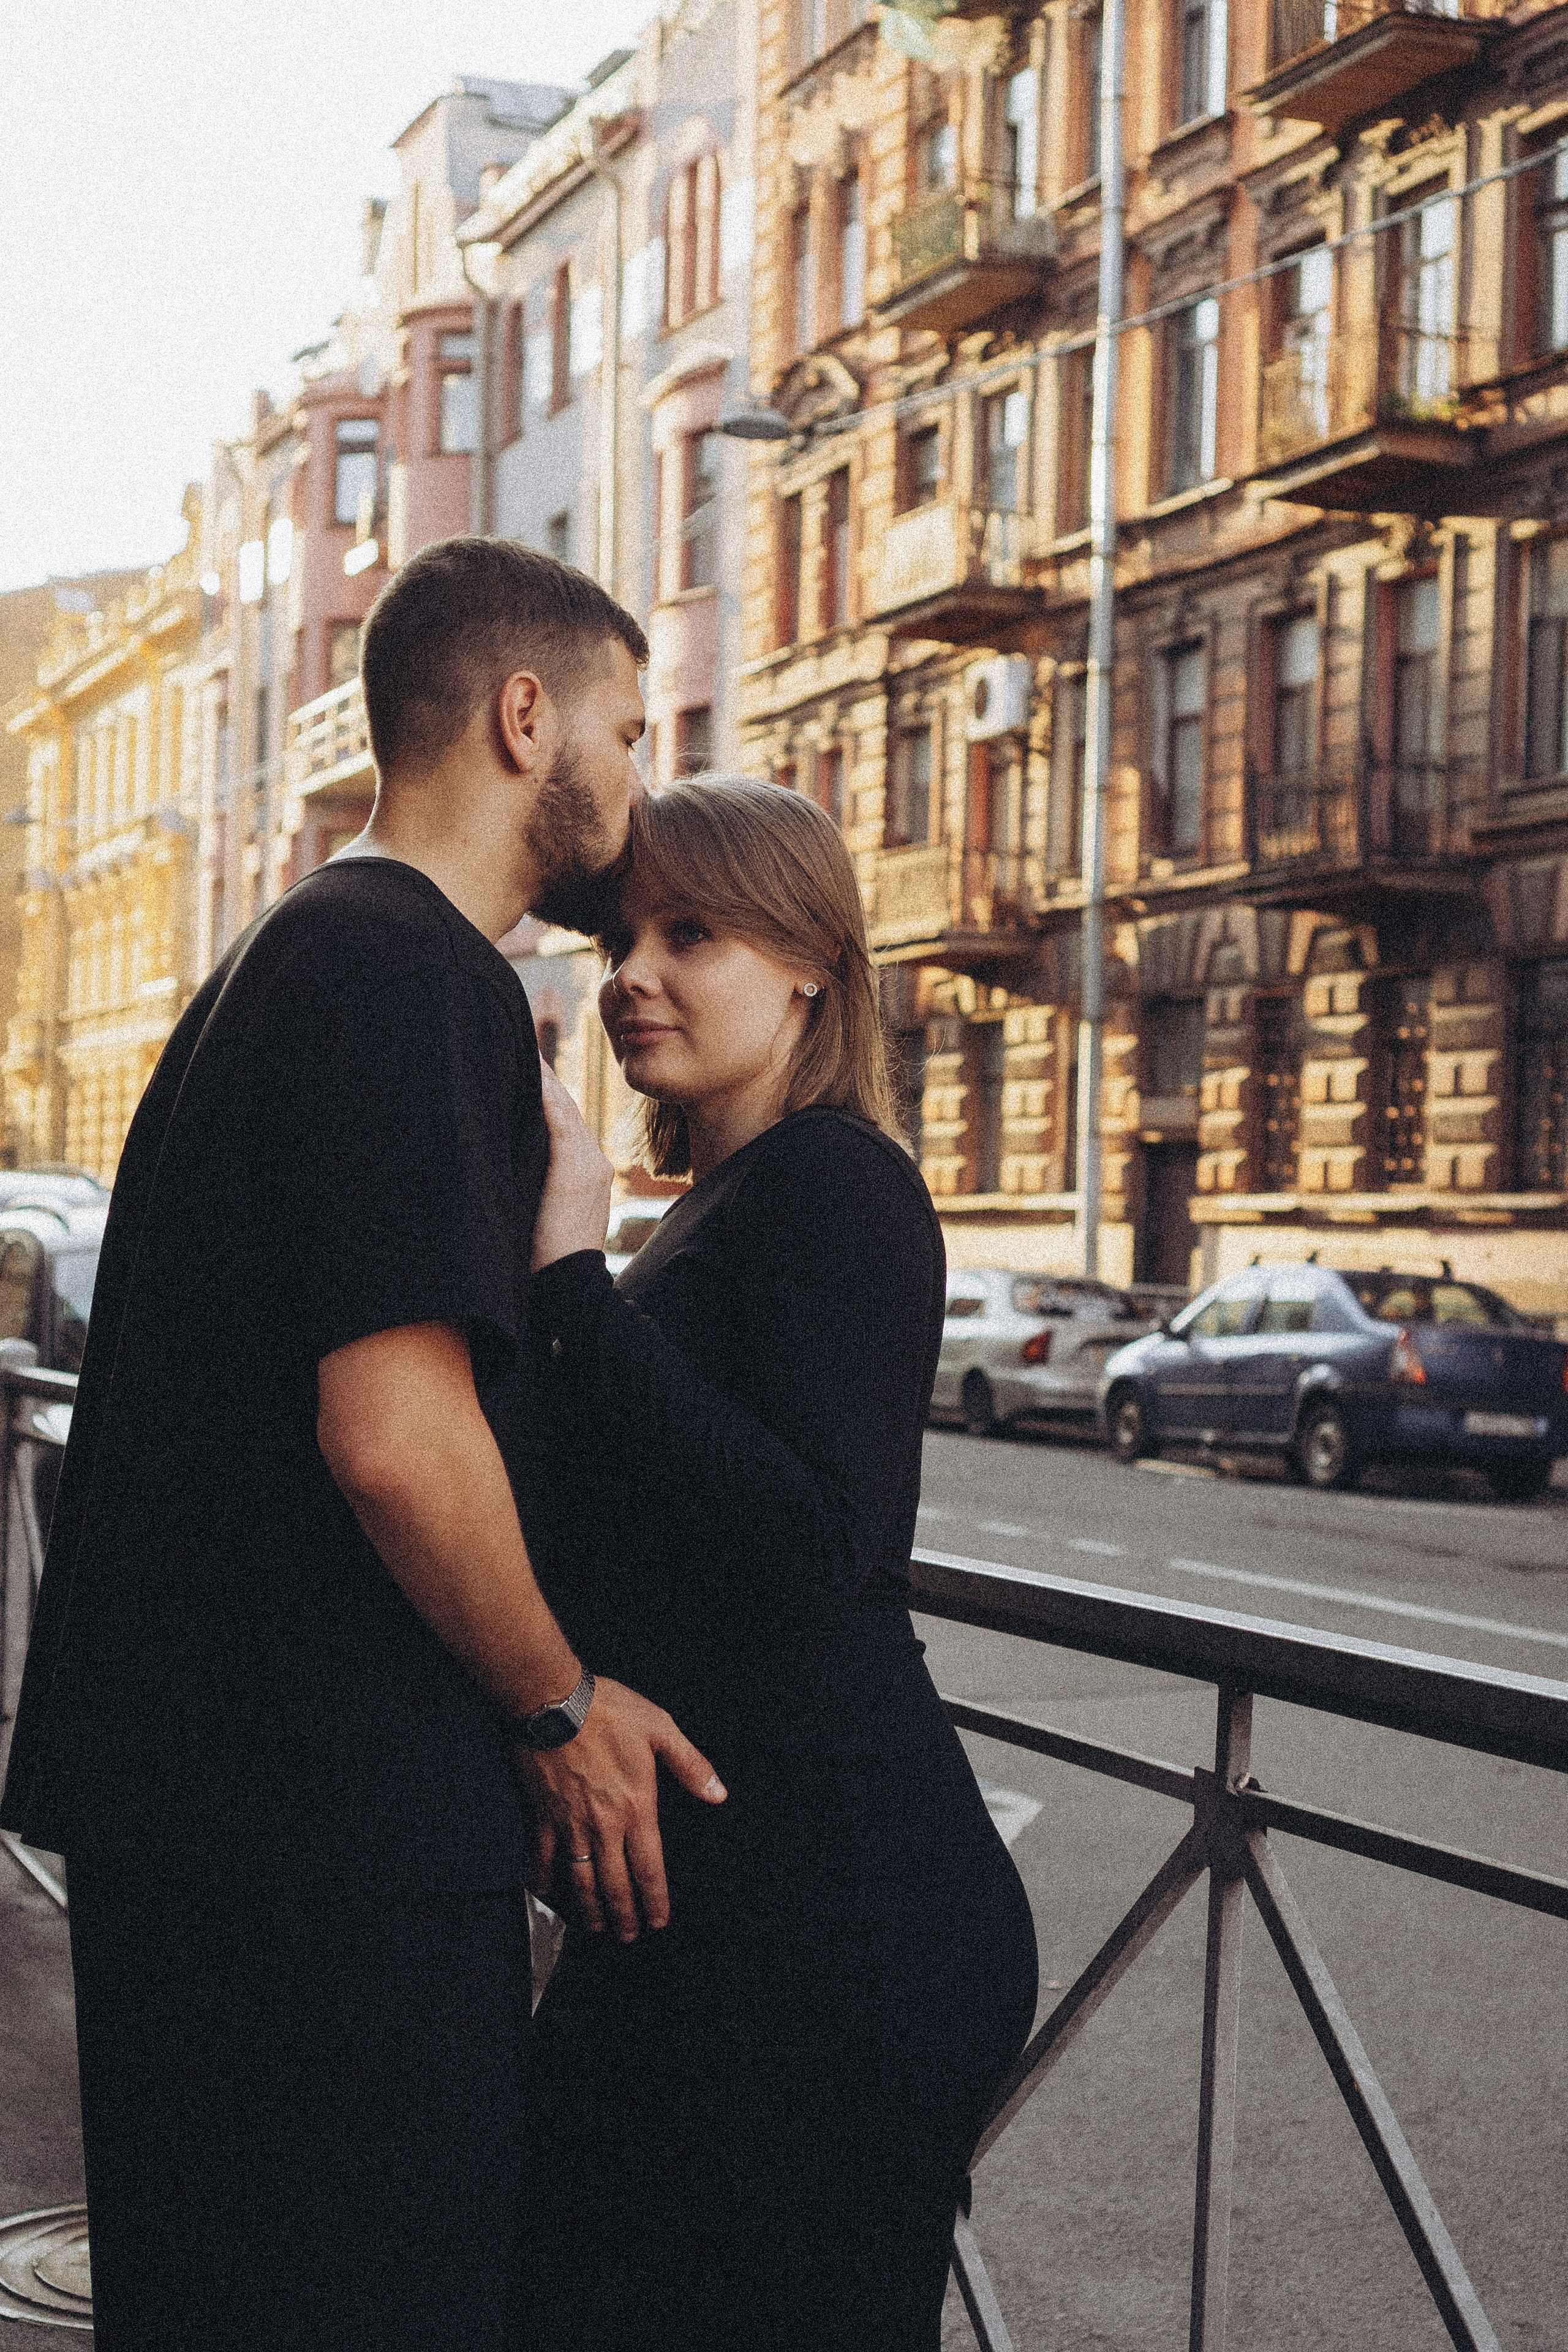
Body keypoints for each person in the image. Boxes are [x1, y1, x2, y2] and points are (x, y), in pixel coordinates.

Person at [0, 539, 724, 2352]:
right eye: (629, 733)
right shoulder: (415, 975)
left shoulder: (293, 951)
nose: (637, 789)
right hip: (322, 1840)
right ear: (523, 713)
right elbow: (396, 1435)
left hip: (211, 1817)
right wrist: (560, 1707)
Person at [514, 777, 1039, 2352]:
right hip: (721, 1923)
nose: (631, 973)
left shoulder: (839, 1182)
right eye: (619, 939)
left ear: (808, 960)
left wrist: (564, 1283)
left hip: (838, 1939)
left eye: (690, 933)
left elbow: (818, 1550)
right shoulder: (719, 1204)